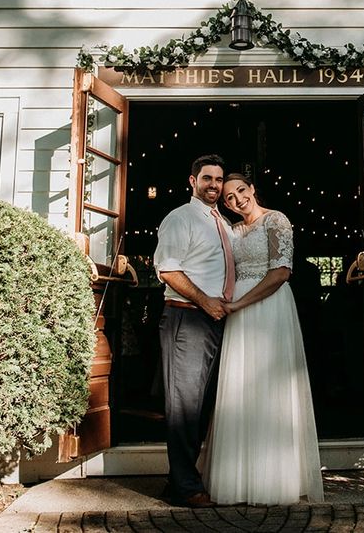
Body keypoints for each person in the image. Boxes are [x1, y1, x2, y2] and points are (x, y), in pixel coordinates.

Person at [202, 173, 324, 505]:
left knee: (270, 389)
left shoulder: (277, 221)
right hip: (237, 315)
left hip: (267, 308)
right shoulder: (232, 230)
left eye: (241, 191)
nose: (237, 199)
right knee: (239, 388)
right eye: (229, 197)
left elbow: (281, 272)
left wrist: (240, 303)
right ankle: (238, 478)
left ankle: (274, 478)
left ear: (252, 189)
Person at [152, 154, 235, 509]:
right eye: (207, 178)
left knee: (202, 405)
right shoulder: (180, 219)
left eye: (218, 179)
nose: (213, 185)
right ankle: (187, 488)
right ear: (192, 181)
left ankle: (178, 481)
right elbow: (168, 270)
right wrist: (205, 301)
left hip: (215, 319)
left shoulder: (224, 223)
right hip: (187, 317)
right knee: (185, 405)